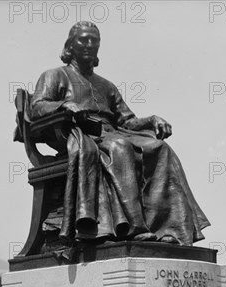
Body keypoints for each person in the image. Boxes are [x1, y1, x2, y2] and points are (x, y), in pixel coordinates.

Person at [29, 21, 210, 247]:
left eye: (94, 40)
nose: (89, 44)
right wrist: (64, 106)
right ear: (70, 45)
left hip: (113, 132)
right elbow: (37, 107)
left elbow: (127, 120)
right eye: (83, 39)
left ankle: (170, 229)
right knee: (119, 148)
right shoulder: (54, 75)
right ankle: (133, 228)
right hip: (82, 134)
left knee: (160, 149)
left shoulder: (107, 85)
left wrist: (151, 120)